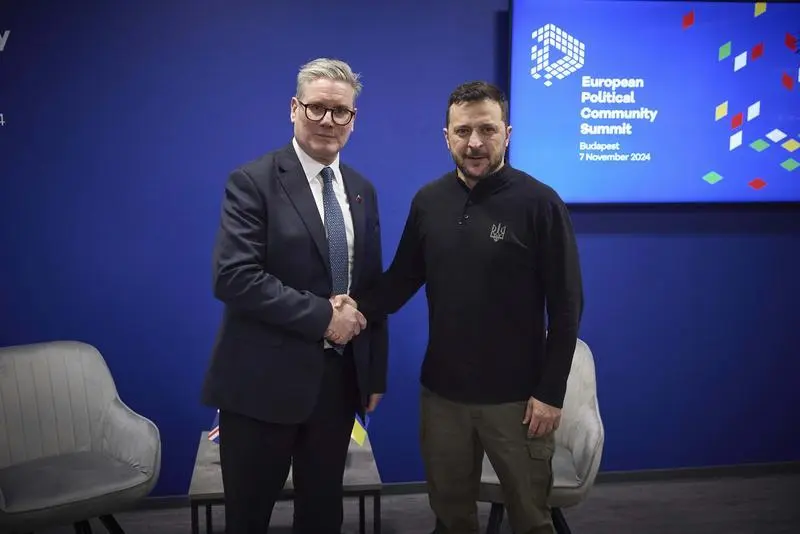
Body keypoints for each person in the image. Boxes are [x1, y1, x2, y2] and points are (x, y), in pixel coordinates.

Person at [335, 81, 583, 534]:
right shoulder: (429, 202)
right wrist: (356, 308)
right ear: (446, 136)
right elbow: (401, 280)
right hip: (443, 397)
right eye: (463, 131)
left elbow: (567, 307)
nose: (474, 143)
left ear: (507, 133)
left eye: (487, 130)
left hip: (517, 401)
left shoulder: (540, 203)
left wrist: (550, 393)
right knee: (451, 519)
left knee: (531, 520)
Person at [200, 57, 388, 534]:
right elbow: (234, 277)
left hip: (336, 385)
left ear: (353, 119)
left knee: (322, 516)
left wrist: (373, 371)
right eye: (316, 107)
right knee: (248, 519)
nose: (328, 120)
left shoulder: (361, 190)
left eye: (340, 111)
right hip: (261, 384)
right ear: (293, 108)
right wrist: (324, 316)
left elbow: (370, 287)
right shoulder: (253, 182)